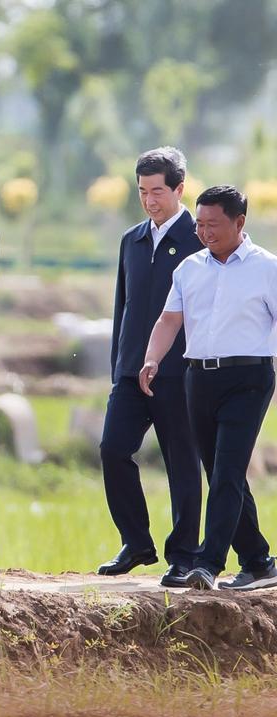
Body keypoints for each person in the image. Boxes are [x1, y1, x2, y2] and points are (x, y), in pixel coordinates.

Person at [139, 185, 277, 591]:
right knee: (220, 472)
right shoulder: (189, 268)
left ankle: (207, 563)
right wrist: (152, 358)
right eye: (199, 224)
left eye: (213, 224)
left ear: (239, 222)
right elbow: (169, 320)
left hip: (248, 379)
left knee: (228, 470)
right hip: (198, 378)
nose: (204, 232)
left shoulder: (267, 268)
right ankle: (258, 561)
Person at [98, 147, 203, 587]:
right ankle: (136, 542)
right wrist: (119, 364)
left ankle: (184, 555)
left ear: (179, 189)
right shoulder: (132, 240)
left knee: (182, 463)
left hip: (180, 373)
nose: (149, 200)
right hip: (130, 372)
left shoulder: (201, 240)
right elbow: (122, 307)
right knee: (113, 449)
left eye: (157, 191)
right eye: (142, 191)